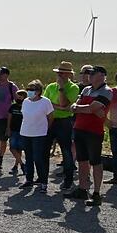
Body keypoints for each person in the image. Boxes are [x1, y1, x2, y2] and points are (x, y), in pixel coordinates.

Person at [67, 66, 112, 206]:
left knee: (95, 162)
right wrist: (83, 109)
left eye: (92, 73)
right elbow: (76, 105)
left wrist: (81, 108)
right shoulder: (86, 89)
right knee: (82, 160)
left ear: (102, 75)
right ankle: (82, 188)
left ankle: (97, 193)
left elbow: (91, 108)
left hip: (94, 131)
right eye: (88, 73)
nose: (89, 76)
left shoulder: (107, 91)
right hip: (80, 128)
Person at [43, 61, 80, 190]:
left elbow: (65, 106)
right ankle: (42, 179)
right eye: (58, 72)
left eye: (62, 73)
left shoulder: (73, 88)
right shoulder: (50, 87)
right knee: (44, 150)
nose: (59, 75)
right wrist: (58, 107)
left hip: (64, 122)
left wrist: (61, 89)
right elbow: (45, 104)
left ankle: (68, 179)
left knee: (66, 151)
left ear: (68, 75)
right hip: (50, 119)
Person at [19, 81, 54, 193]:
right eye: (28, 89)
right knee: (28, 158)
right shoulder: (25, 101)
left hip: (39, 134)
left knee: (38, 158)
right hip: (26, 133)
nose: (29, 91)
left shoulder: (45, 102)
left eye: (32, 89)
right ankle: (29, 179)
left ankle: (43, 182)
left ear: (39, 91)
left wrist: (45, 129)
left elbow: (50, 117)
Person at [0, 67, 18, 170]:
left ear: (6, 75)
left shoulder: (12, 87)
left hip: (5, 117)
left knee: (3, 139)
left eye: (1, 74)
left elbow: (18, 101)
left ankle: (0, 158)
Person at [105, 69, 117, 185]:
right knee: (116, 153)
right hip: (114, 127)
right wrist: (106, 121)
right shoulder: (111, 92)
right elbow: (103, 108)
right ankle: (116, 177)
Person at [6, 90, 27, 175]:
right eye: (17, 96)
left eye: (20, 96)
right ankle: (22, 164)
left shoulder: (26, 106)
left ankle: (15, 166)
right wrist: (8, 128)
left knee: (19, 149)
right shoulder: (13, 106)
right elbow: (9, 117)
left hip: (23, 130)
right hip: (13, 130)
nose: (18, 98)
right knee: (12, 148)